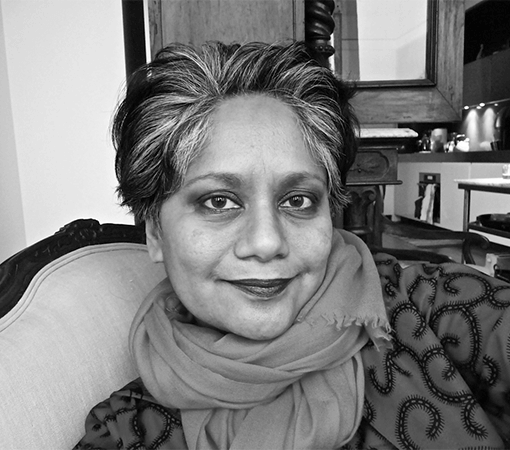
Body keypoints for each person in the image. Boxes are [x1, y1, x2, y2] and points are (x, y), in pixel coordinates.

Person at [75, 41, 510, 449]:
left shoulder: (432, 309)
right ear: (155, 232)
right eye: (219, 201)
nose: (267, 243)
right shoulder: (126, 430)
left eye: (297, 200)